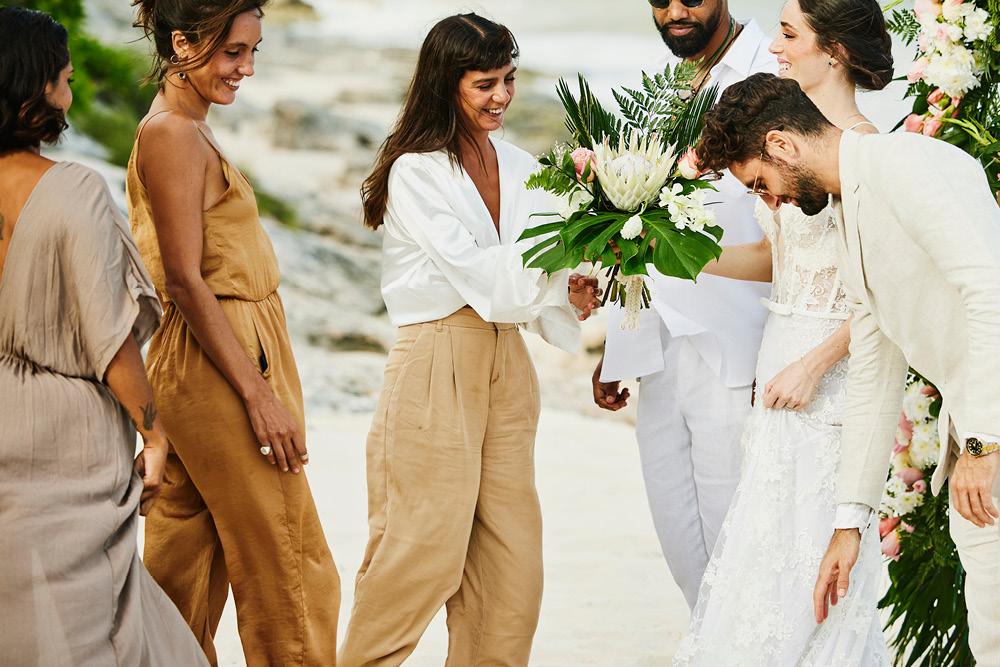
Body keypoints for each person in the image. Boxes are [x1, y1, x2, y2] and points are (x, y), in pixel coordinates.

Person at [697, 70, 1000, 665]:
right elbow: (875, 365)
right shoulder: (853, 206)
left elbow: (991, 290)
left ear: (782, 145)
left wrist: (986, 443)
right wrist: (850, 522)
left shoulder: (908, 166)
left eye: (761, 184)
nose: (772, 202)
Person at [338, 13, 600, 667]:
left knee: (513, 566)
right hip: (436, 357)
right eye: (486, 83)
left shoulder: (520, 164)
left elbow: (533, 275)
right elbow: (488, 277)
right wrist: (556, 260)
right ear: (445, 84)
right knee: (421, 550)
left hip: (507, 363)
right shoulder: (416, 173)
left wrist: (570, 287)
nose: (503, 96)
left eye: (509, 79)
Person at [673, 0, 893, 663]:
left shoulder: (868, 154)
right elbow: (783, 259)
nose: (773, 45)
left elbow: (886, 292)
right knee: (766, 554)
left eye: (789, 33)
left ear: (833, 52)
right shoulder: (787, 143)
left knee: (820, 563)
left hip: (832, 377)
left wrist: (816, 363)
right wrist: (680, 253)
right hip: (779, 365)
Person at [128, 0, 340, 664]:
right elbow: (187, 280)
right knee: (290, 568)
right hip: (222, 361)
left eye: (253, 52)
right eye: (231, 51)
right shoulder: (173, 134)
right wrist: (258, 395)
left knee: (180, 567)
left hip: (204, 361)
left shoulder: (183, 127)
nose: (245, 68)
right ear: (183, 42)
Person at [0, 7, 208, 666]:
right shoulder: (74, 192)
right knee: (99, 624)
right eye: (61, 79)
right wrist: (153, 431)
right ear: (35, 90)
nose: (66, 93)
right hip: (67, 435)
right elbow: (110, 339)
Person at [592, 0, 775, 609]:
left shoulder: (770, 73)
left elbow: (795, 231)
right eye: (659, 0)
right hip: (657, 345)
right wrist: (619, 341)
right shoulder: (669, 83)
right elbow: (638, 225)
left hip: (734, 349)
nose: (674, 11)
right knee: (679, 537)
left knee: (735, 540)